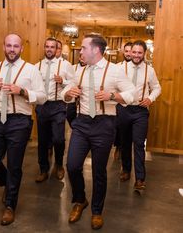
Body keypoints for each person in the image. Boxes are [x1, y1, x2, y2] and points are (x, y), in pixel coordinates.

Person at [61, 33, 136, 230]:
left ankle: (96, 211)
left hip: (104, 124)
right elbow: (66, 92)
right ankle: (79, 199)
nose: (81, 50)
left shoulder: (116, 71)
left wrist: (112, 95)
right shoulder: (80, 71)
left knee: (98, 171)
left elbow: (132, 93)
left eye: (84, 47)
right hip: (81, 123)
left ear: (95, 50)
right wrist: (68, 93)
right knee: (72, 166)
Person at [0, 33, 46, 226]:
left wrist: (22, 91)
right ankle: (8, 185)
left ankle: (10, 206)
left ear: (22, 48)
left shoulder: (31, 70)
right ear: (3, 47)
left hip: (19, 122)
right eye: (8, 45)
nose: (12, 49)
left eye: (16, 46)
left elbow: (42, 97)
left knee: (15, 165)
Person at [117, 40, 161, 190]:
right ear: (129, 52)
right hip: (123, 109)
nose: (136, 55)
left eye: (139, 53)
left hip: (140, 111)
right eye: (133, 52)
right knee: (124, 142)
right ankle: (126, 170)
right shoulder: (120, 68)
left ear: (144, 53)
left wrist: (150, 98)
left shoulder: (150, 70)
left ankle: (140, 178)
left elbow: (157, 88)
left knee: (139, 143)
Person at [35, 37, 75, 182]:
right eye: (47, 47)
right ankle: (43, 169)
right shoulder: (37, 66)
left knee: (58, 138)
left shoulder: (65, 65)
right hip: (42, 106)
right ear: (44, 48)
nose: (50, 49)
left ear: (56, 48)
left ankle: (59, 165)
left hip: (58, 105)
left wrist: (63, 81)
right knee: (43, 140)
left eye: (53, 47)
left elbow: (73, 83)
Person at [114, 42, 133, 160]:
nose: (129, 53)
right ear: (123, 52)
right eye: (126, 51)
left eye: (131, 51)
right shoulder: (117, 67)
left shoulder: (142, 68)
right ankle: (118, 147)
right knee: (118, 127)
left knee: (129, 130)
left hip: (134, 103)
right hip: (119, 102)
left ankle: (126, 149)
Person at [66, 55, 87, 127]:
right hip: (73, 99)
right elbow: (68, 81)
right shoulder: (73, 68)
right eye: (81, 57)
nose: (83, 59)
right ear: (79, 58)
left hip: (84, 98)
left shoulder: (90, 69)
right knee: (69, 115)